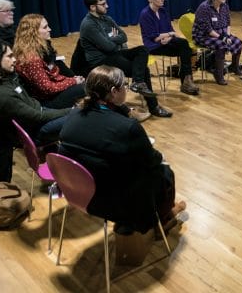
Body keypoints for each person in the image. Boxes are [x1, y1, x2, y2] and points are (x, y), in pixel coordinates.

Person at [59, 65, 186, 234]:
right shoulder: (127, 127)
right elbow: (152, 160)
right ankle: (161, 219)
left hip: (76, 192)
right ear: (114, 91)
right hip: (112, 201)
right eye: (124, 86)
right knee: (165, 171)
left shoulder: (73, 115)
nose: (126, 89)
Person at [79, 0, 172, 118]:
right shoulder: (88, 24)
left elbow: (124, 36)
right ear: (92, 7)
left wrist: (108, 38)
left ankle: (138, 82)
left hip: (114, 54)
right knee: (143, 69)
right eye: (103, 4)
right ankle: (153, 105)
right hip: (101, 60)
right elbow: (109, 47)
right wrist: (112, 39)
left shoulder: (107, 18)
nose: (107, 6)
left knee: (143, 50)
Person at [13, 14, 86, 109]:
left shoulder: (42, 49)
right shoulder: (31, 58)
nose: (50, 29)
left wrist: (72, 79)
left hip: (54, 92)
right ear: (33, 32)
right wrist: (73, 81)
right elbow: (47, 88)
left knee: (88, 84)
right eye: (45, 27)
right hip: (47, 102)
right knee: (88, 88)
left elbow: (54, 75)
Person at [139, 0, 199, 95]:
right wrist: (167, 36)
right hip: (153, 46)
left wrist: (168, 37)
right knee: (185, 48)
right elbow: (154, 37)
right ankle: (186, 81)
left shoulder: (163, 11)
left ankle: (186, 81)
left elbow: (171, 30)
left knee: (185, 46)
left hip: (167, 41)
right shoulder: (145, 14)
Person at [192, 0, 242, 85]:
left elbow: (228, 24)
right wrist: (223, 38)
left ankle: (234, 66)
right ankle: (218, 73)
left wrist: (227, 36)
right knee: (221, 45)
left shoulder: (225, 6)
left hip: (221, 33)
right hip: (203, 35)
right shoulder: (204, 8)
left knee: (238, 42)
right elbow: (208, 29)